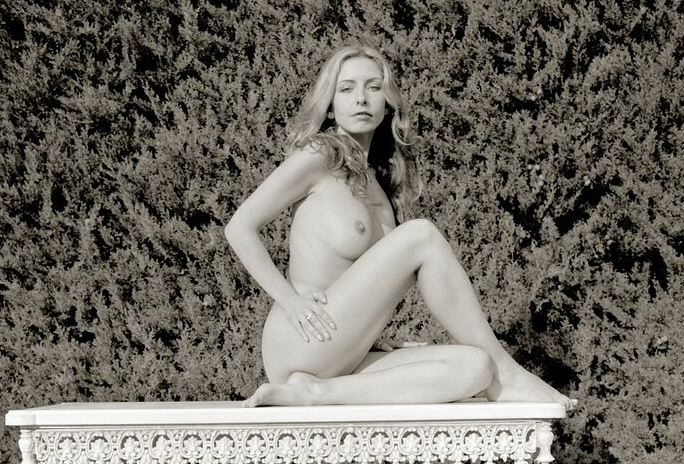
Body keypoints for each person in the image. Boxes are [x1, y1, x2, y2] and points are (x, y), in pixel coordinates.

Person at [224, 44, 576, 410]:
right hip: (301, 338)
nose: (361, 98)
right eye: (346, 89)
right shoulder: (319, 155)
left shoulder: (378, 181)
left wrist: (365, 334)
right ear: (329, 105)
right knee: (421, 235)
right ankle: (509, 372)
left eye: (373, 87)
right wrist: (289, 300)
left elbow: (361, 283)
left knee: (475, 367)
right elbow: (239, 227)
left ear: (388, 102)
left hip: (341, 352)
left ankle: (314, 392)